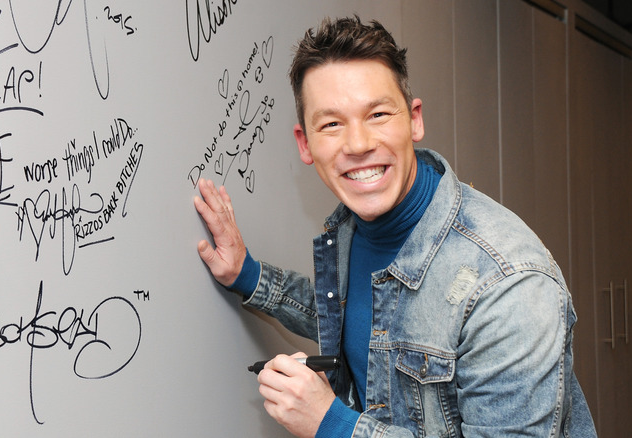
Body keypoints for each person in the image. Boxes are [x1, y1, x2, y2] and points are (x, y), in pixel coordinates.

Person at [194, 16, 596, 438]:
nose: (358, 144)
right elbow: (355, 319)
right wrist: (247, 274)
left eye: (378, 114)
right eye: (331, 124)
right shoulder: (353, 230)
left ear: (414, 120)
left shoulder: (509, 283)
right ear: (305, 143)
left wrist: (333, 424)